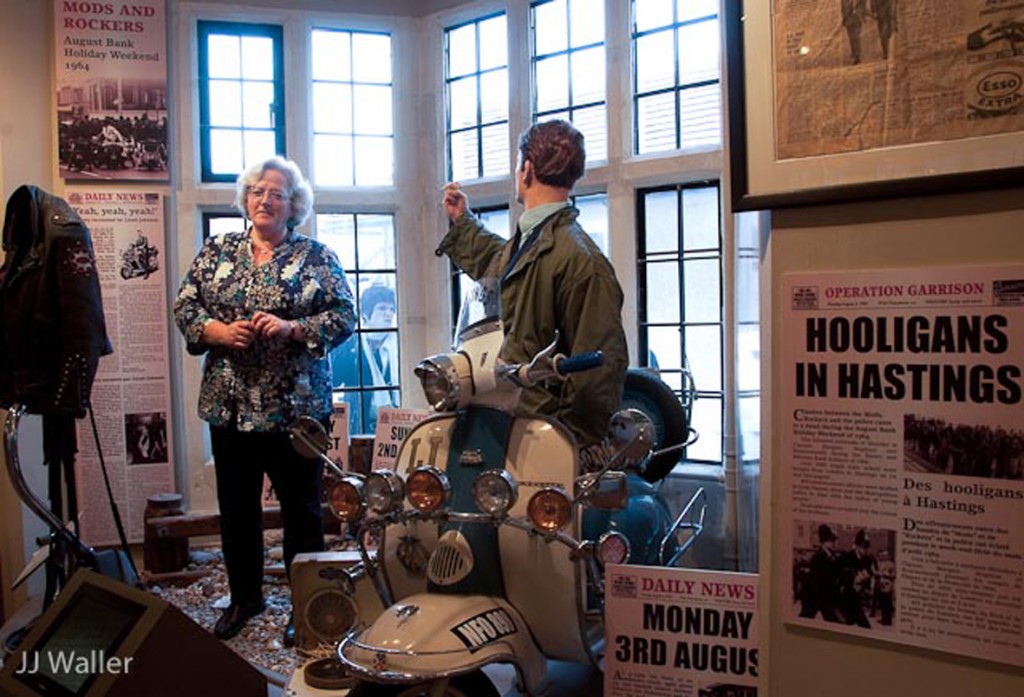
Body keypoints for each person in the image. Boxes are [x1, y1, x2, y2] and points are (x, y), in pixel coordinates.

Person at [173, 156, 355, 645]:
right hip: (228, 405)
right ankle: (245, 599)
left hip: (295, 409)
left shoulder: (316, 256)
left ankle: (306, 604)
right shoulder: (217, 252)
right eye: (257, 190)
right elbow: (185, 304)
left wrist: (292, 328)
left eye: (277, 192)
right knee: (236, 509)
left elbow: (343, 316)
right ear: (245, 199)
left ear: (294, 204)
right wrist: (215, 331)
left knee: (303, 512)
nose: (265, 199)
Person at [438, 119, 628, 455]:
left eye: (516, 164)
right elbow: (504, 268)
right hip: (508, 425)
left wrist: (565, 447)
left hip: (539, 439)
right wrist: (462, 222)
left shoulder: (581, 260)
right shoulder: (539, 242)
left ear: (526, 169)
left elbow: (600, 370)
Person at [331, 283, 401, 435]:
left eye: (392, 309)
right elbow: (335, 379)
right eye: (382, 308)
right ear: (366, 315)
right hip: (359, 423)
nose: (388, 314)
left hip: (394, 424)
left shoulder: (398, 346)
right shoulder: (352, 343)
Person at [798, 524, 842, 622]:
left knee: (832, 620)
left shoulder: (830, 555)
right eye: (831, 541)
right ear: (825, 542)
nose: (834, 543)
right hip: (813, 595)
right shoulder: (819, 557)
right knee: (805, 618)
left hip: (823, 596)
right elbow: (820, 578)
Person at [836, 529, 877, 628]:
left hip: (857, 596)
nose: (865, 550)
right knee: (849, 624)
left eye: (867, 547)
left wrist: (866, 579)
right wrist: (854, 578)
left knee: (864, 626)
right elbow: (840, 576)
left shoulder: (867, 559)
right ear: (857, 546)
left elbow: (870, 573)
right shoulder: (847, 557)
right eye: (863, 547)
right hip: (846, 596)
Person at [841, 0, 867, 64]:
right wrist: (844, 19)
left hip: (857, 18)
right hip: (848, 19)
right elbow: (843, 8)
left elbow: (863, 5)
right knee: (851, 38)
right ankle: (854, 52)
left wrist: (859, 13)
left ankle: (857, 55)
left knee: (856, 36)